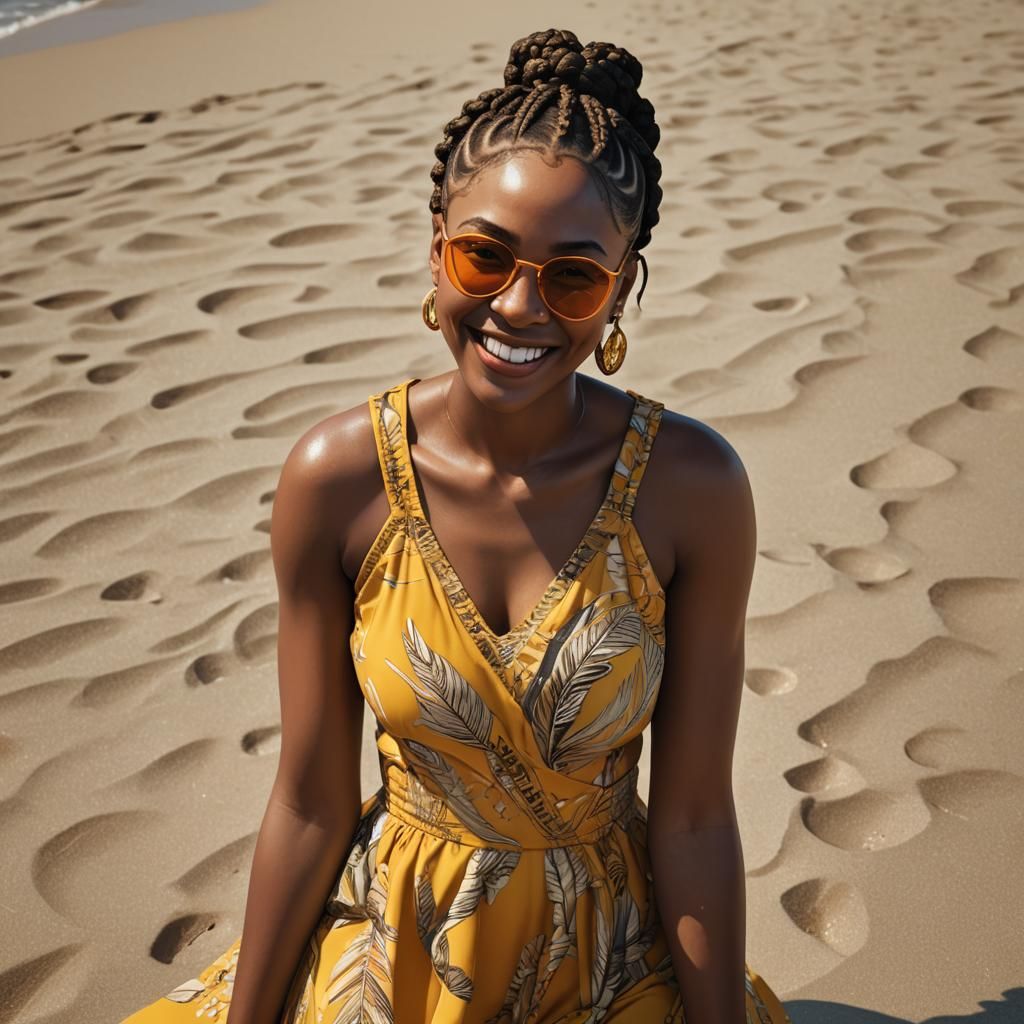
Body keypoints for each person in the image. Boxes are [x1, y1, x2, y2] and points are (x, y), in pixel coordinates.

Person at [121, 28, 793, 1024]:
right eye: (484, 257)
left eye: (573, 276)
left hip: (610, 956)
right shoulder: (336, 480)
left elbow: (693, 817)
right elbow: (308, 802)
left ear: (622, 285)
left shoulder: (691, 486)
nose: (519, 307)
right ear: (434, 246)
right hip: (394, 945)